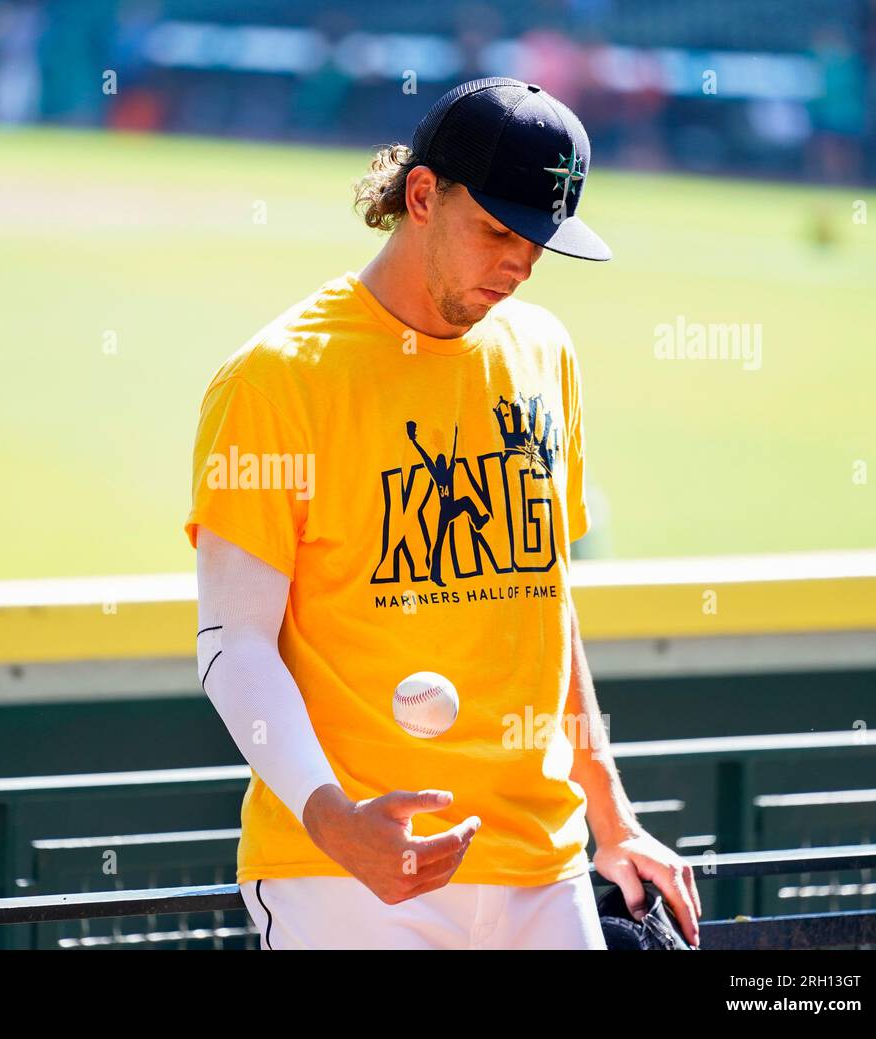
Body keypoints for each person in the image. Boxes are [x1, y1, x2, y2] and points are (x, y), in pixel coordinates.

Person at [186, 77, 701, 950]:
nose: (520, 263)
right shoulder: (277, 379)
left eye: (540, 241)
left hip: (543, 859)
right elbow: (233, 643)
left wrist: (614, 819)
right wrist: (333, 818)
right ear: (421, 195)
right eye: (499, 229)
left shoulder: (544, 351)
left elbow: (545, 602)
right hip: (348, 874)